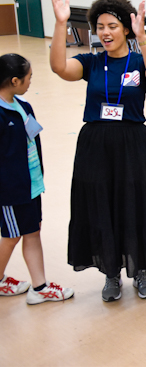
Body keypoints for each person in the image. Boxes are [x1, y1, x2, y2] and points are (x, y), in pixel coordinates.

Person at [49, 0, 146, 301]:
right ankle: (111, 273)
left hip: (132, 143)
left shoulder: (139, 60)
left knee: (136, 204)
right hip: (96, 144)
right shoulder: (91, 63)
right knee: (103, 205)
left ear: (126, 29)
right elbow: (59, 68)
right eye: (100, 27)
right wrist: (61, 23)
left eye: (112, 26)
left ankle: (141, 270)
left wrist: (143, 37)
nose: (105, 33)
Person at [0, 54, 74, 304]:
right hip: (10, 191)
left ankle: (39, 287)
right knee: (11, 236)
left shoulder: (22, 106)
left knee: (32, 232)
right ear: (14, 81)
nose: (31, 82)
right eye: (28, 78)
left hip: (30, 184)